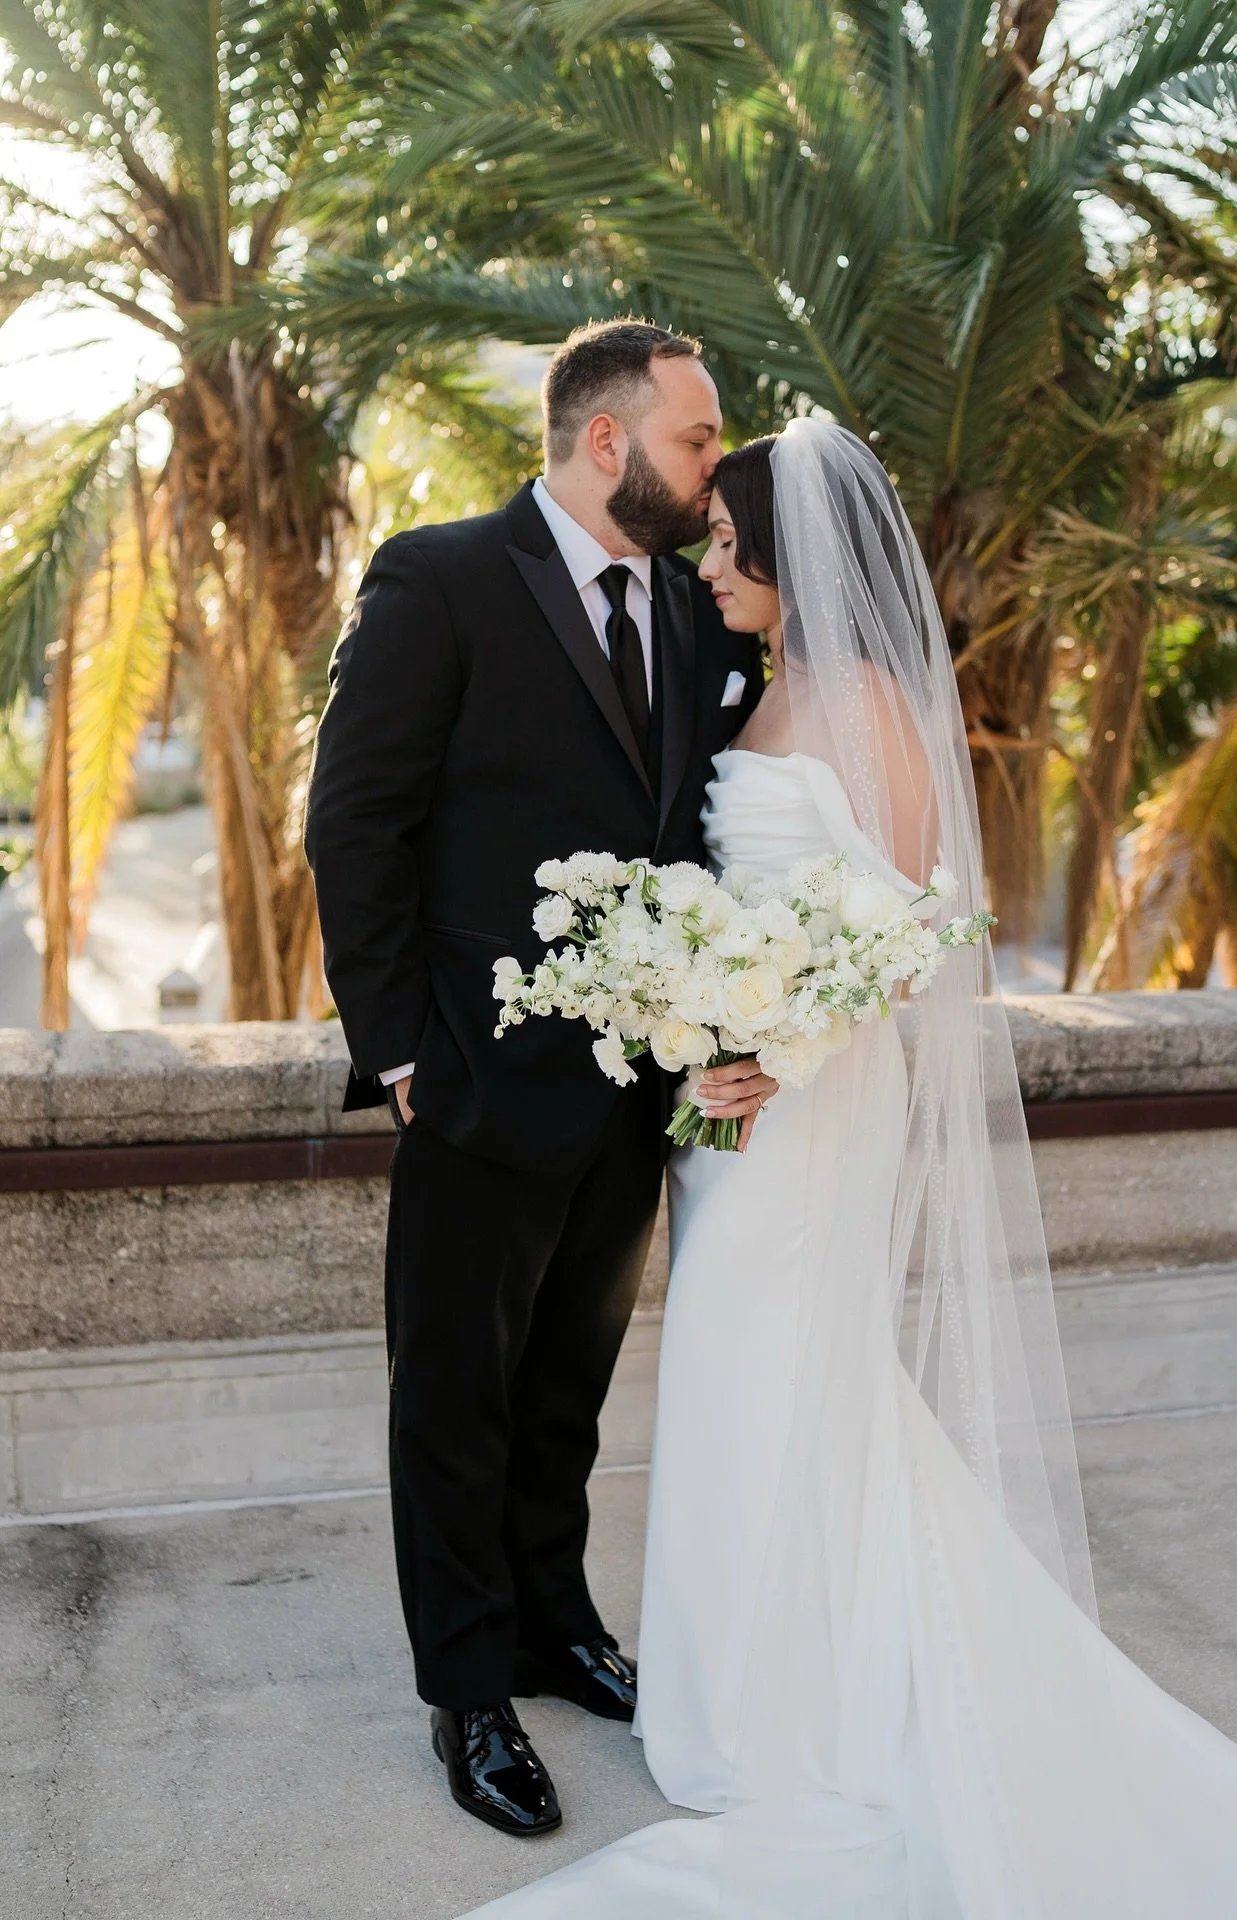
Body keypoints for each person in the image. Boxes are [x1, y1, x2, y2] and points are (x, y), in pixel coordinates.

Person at [462, 419, 1237, 1915]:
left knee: (782, 1366)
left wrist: (778, 1049)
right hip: (735, 1100)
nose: (709, 564)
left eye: (730, 545)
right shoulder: (764, 685)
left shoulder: (873, 708)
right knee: (744, 1377)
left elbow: (911, 928)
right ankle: (746, 1688)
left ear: (796, 563)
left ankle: (797, 1710)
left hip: (809, 1102)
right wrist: (698, 1008)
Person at [304, 321, 775, 1838]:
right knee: (456, 1395)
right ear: (604, 442)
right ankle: (467, 1690)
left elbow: (695, 829)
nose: (716, 480)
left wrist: (720, 1026)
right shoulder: (439, 580)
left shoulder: (702, 621)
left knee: (567, 1392)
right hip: (475, 1085)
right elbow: (353, 825)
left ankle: (553, 1626)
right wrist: (402, 1061)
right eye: (700, 444)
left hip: (637, 1096)